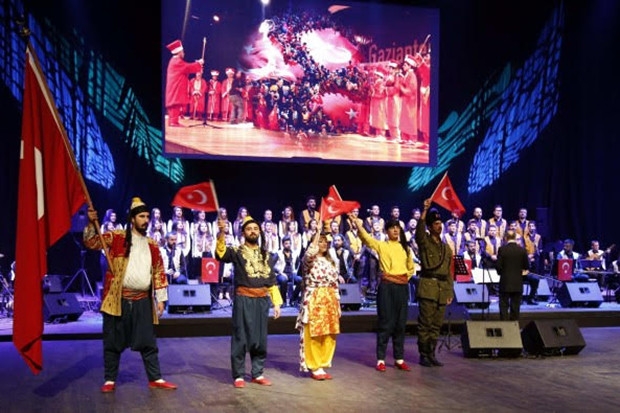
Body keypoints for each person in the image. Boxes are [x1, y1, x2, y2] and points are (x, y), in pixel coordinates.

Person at [83, 197, 177, 392]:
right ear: (132, 218)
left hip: (142, 300)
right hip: (118, 299)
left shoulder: (152, 244)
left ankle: (155, 378)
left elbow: (159, 271)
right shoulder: (117, 237)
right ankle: (110, 379)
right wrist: (91, 222)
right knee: (113, 341)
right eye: (141, 216)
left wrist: (160, 298)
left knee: (148, 341)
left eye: (147, 216)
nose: (146, 220)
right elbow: (91, 242)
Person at [215, 215, 283, 388]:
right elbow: (220, 254)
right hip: (244, 298)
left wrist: (276, 303)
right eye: (249, 229)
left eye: (255, 229)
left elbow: (271, 280)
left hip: (262, 300)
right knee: (241, 336)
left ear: (259, 232)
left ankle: (257, 373)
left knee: (260, 338)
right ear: (243, 232)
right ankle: (238, 375)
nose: (252, 231)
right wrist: (221, 233)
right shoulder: (236, 252)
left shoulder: (266, 254)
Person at [351, 217, 415, 372]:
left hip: (401, 287)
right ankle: (381, 359)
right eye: (392, 228)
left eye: (397, 228)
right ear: (387, 231)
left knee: (400, 323)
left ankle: (399, 358)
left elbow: (411, 268)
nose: (395, 230)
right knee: (386, 322)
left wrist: (402, 277)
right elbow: (366, 239)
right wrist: (358, 224)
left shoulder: (405, 248)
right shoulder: (381, 245)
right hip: (386, 287)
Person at [296, 232, 341, 380]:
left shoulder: (331, 261)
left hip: (329, 298)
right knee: (314, 332)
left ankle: (322, 363)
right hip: (314, 297)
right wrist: (317, 234)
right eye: (320, 241)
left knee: (329, 333)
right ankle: (314, 365)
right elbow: (309, 254)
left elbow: (335, 284)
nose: (324, 244)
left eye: (325, 241)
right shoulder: (309, 260)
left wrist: (338, 303)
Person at [415, 199, 454, 367]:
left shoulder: (447, 248)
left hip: (442, 289)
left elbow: (449, 272)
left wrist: (449, 292)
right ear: (430, 227)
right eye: (436, 224)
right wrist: (425, 210)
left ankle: (431, 353)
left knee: (437, 324)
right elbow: (419, 232)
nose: (440, 226)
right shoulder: (425, 243)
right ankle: (423, 354)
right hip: (428, 287)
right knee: (425, 323)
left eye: (440, 223)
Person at [164, 39, 203, 127]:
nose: (184, 53)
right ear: (179, 52)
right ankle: (173, 122)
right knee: (175, 104)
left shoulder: (174, 61)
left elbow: (186, 69)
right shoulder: (177, 61)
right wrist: (199, 64)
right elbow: (187, 68)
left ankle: (173, 121)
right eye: (183, 52)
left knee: (175, 104)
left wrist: (197, 64)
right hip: (175, 87)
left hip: (174, 86)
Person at [496, 230, 530, 321]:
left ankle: (504, 325)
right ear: (515, 238)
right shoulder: (522, 250)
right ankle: (514, 326)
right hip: (517, 282)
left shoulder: (502, 249)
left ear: (505, 238)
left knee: (503, 305)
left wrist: (501, 273)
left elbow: (498, 266)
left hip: (505, 281)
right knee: (515, 306)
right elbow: (526, 266)